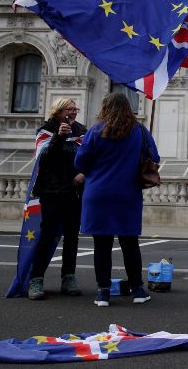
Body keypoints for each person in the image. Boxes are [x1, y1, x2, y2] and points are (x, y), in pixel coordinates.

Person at [74, 92, 159, 307]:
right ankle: (138, 290)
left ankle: (103, 293)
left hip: (98, 194)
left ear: (105, 108)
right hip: (127, 194)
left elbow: (80, 163)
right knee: (130, 243)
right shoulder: (139, 131)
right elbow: (154, 158)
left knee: (102, 245)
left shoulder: (95, 131)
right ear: (128, 108)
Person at [28, 98, 87, 300]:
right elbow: (43, 159)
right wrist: (59, 138)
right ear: (58, 112)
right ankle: (36, 279)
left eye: (75, 109)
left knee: (72, 236)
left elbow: (91, 157)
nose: (73, 113)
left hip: (74, 191)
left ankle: (68, 277)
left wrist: (84, 173)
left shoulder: (81, 131)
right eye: (69, 110)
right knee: (48, 235)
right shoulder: (45, 131)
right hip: (51, 191)